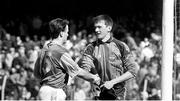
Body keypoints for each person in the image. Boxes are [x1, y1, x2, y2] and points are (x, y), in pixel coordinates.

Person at [33, 18, 100, 101]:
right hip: (55, 93)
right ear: (61, 33)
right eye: (67, 32)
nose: (68, 35)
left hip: (43, 91)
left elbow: (36, 74)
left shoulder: (44, 49)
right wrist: (94, 77)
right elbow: (77, 71)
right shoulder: (60, 51)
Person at [79, 15, 139, 100]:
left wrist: (112, 82)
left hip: (117, 93)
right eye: (95, 27)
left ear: (109, 28)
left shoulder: (120, 46)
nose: (96, 30)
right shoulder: (90, 47)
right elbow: (84, 70)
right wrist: (91, 77)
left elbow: (133, 70)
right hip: (99, 92)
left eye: (99, 27)